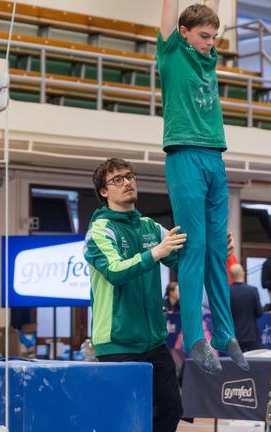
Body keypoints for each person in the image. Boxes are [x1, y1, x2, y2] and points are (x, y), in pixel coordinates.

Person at [155, 0, 248, 375]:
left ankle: (226, 334)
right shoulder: (171, 51)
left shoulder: (208, 53)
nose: (212, 45)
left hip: (214, 157)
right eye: (205, 37)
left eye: (214, 37)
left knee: (217, 249)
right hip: (185, 155)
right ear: (185, 32)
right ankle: (196, 338)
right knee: (193, 249)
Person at [84, 158, 186, 432]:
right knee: (123, 419)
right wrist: (156, 253)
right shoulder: (99, 231)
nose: (127, 182)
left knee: (172, 409)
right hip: (118, 344)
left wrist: (213, 250)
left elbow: (183, 263)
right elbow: (115, 271)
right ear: (104, 192)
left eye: (130, 176)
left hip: (153, 341)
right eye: (117, 179)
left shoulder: (150, 228)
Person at [229, 264, 263, 352]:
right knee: (255, 363)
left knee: (235, 364)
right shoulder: (252, 290)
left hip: (233, 335)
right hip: (252, 335)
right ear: (243, 274)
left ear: (231, 276)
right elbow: (259, 312)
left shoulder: (227, 292)